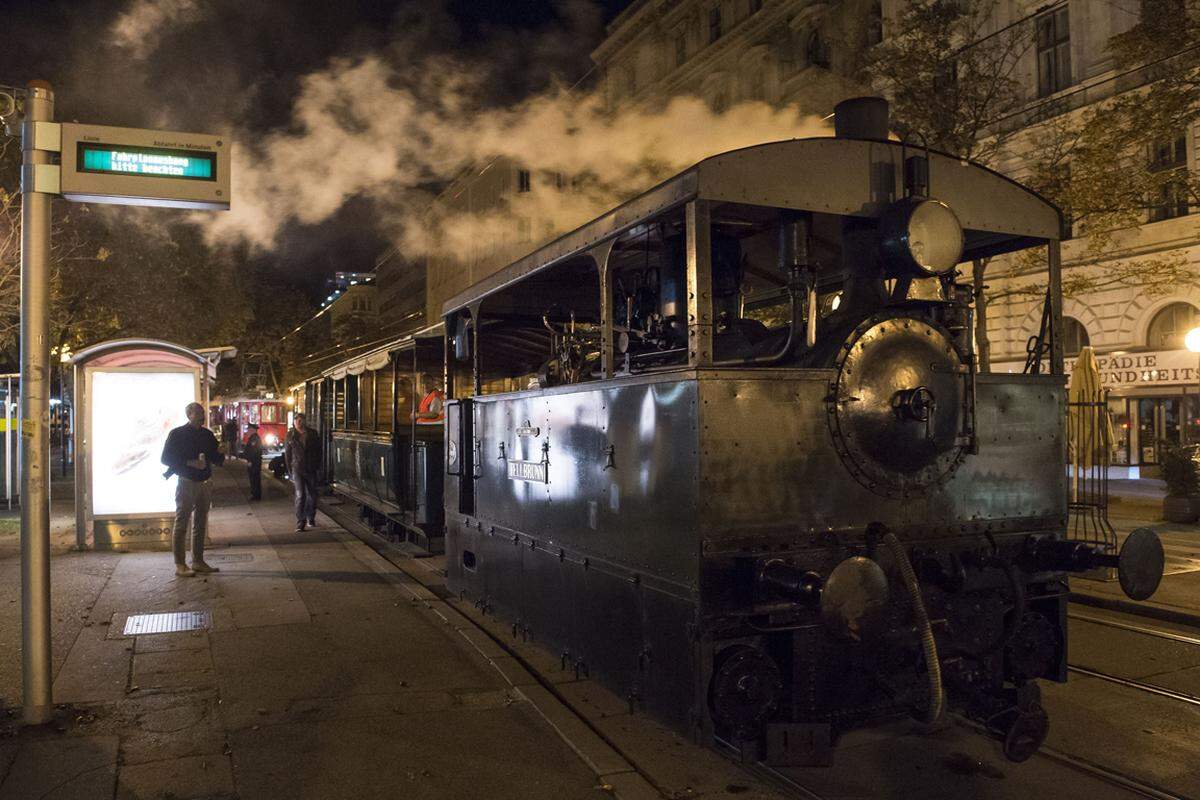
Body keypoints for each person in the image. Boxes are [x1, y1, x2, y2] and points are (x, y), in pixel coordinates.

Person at [161, 402, 225, 577]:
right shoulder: (177, 434)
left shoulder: (207, 434)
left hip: (205, 483)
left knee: (200, 523)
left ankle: (198, 561)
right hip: (186, 482)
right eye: (198, 412)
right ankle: (180, 564)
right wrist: (190, 462)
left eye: (202, 412)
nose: (202, 415)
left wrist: (221, 452)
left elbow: (216, 457)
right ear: (189, 414)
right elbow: (165, 458)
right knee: (182, 523)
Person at [285, 412, 321, 531]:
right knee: (300, 495)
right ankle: (301, 522)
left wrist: (317, 465)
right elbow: (288, 455)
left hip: (311, 468)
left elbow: (319, 451)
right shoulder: (290, 435)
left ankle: (311, 517)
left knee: (312, 495)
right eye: (297, 421)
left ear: (304, 421)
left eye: (301, 420)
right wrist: (290, 471)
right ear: (294, 422)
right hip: (297, 468)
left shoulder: (313, 434)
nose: (299, 423)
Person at [244, 422, 263, 501]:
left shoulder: (254, 439)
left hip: (254, 463)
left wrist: (250, 461)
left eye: (249, 429)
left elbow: (254, 452)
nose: (248, 431)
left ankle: (256, 495)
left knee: (254, 479)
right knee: (253, 479)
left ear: (252, 430)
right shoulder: (253, 438)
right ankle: (255, 494)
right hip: (254, 462)